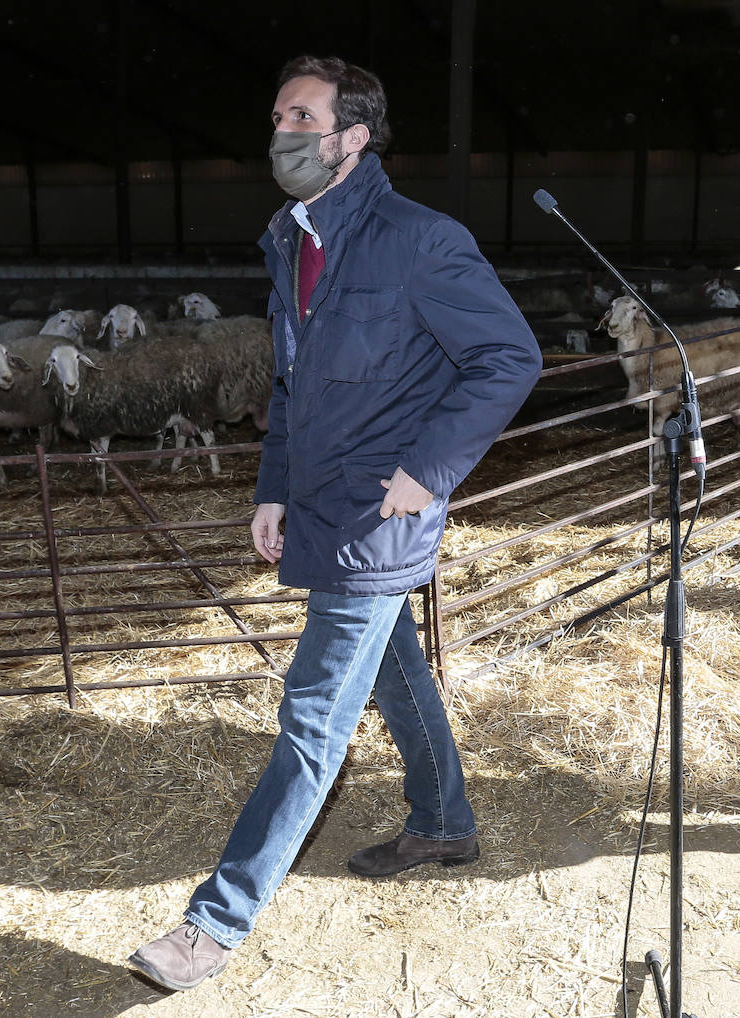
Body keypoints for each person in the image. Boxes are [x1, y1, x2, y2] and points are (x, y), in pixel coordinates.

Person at [127, 55, 542, 993]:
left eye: (303, 115)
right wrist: (272, 485)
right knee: (397, 675)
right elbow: (290, 382)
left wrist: (425, 474)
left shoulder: (420, 241)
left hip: (379, 516)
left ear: (352, 137)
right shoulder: (294, 237)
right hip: (320, 507)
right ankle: (442, 823)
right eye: (278, 112)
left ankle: (212, 924)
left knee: (313, 720)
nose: (283, 130)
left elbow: (509, 357)